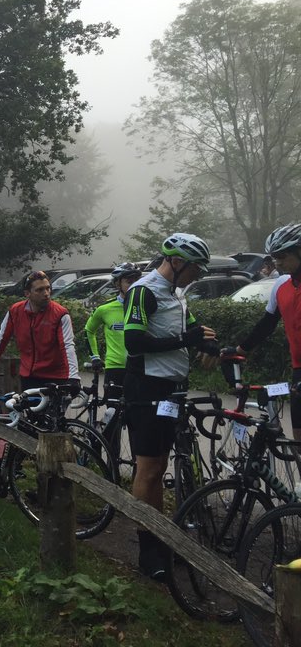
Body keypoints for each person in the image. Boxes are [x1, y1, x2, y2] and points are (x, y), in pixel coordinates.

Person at [122, 232, 218, 579]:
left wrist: (208, 344)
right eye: (196, 269)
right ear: (176, 262)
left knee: (160, 466)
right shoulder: (143, 291)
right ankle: (147, 549)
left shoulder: (176, 294)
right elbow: (134, 342)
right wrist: (185, 339)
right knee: (147, 469)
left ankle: (160, 537)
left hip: (171, 389)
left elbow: (192, 330)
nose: (198, 275)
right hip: (146, 387)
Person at [231, 224, 301, 442]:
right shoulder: (281, 285)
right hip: (299, 370)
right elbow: (268, 323)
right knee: (298, 439)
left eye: (282, 256)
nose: (277, 263)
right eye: (274, 257)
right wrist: (240, 350)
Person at [0, 270, 80, 391]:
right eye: (40, 290)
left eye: (48, 288)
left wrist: (74, 377)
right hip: (29, 377)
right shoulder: (15, 311)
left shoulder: (60, 314)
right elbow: (1, 339)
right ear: (27, 293)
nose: (46, 293)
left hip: (56, 378)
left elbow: (67, 346)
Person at [84, 263, 142, 398]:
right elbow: (89, 330)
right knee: (113, 408)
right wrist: (95, 357)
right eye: (129, 282)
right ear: (117, 284)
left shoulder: (145, 306)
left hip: (141, 367)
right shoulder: (105, 309)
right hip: (115, 368)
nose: (134, 285)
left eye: (137, 281)